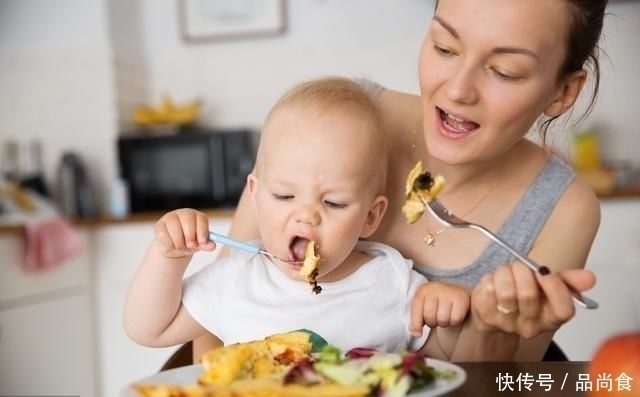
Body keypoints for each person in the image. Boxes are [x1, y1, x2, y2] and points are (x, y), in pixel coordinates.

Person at [193, 0, 605, 362]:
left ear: (563, 92)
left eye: (505, 71)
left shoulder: (563, 209)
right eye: (444, 47)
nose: (458, 90)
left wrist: (489, 330)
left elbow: (500, 383)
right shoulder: (336, 120)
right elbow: (216, 316)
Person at [123, 77, 472, 355]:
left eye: (333, 203)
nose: (306, 217)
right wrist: (168, 255)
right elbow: (148, 328)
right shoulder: (238, 278)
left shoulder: (393, 282)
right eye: (284, 196)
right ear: (256, 197)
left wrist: (446, 315)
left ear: (370, 217)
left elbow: (444, 363)